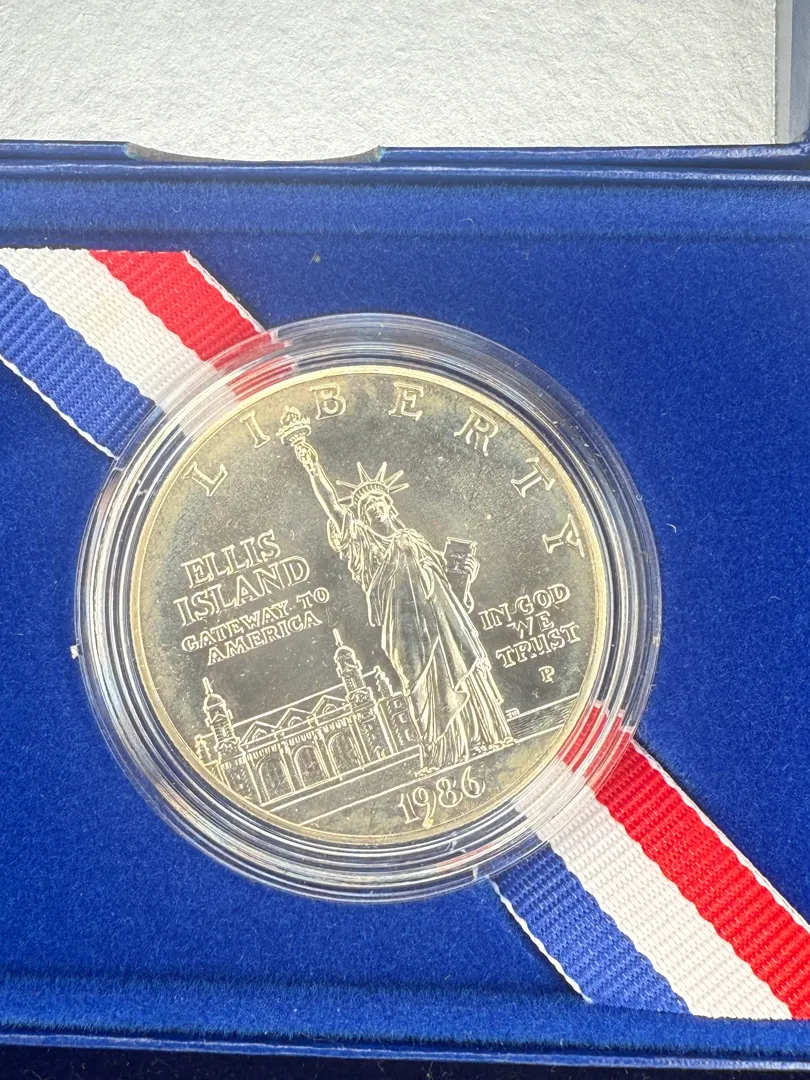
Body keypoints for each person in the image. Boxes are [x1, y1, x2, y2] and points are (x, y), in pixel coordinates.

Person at [289, 437, 513, 772]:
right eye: (367, 507)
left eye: (379, 502)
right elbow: (333, 506)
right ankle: (443, 753)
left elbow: (449, 582)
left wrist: (466, 572)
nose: (374, 508)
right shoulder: (363, 545)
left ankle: (485, 734)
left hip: (444, 621)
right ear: (361, 517)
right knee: (420, 683)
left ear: (391, 506)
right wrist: (312, 467)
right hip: (406, 630)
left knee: (463, 669)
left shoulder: (413, 538)